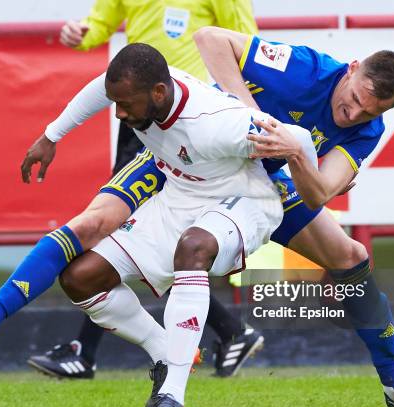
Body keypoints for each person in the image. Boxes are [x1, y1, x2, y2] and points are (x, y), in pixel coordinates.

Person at [0, 43, 317, 407]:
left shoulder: (216, 122)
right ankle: (165, 354)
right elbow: (98, 91)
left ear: (158, 93)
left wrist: (318, 185)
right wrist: (52, 135)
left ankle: (171, 397)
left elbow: (297, 139)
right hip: (180, 194)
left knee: (192, 248)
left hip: (243, 198)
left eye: (126, 105)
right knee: (81, 277)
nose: (119, 113)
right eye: (115, 102)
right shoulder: (142, 96)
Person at [191, 26, 394, 407]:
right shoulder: (303, 67)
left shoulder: (368, 129)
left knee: (351, 258)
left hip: (263, 181)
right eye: (354, 98)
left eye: (370, 111)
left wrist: (295, 152)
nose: (353, 113)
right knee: (124, 248)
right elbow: (208, 38)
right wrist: (247, 112)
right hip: (196, 165)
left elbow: (318, 192)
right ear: (351, 69)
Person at [28, 0, 263, 379]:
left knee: (127, 228)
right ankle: (230, 331)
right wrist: (83, 32)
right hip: (138, 112)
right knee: (131, 229)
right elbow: (101, 24)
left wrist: (237, 112)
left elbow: (246, 44)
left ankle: (84, 350)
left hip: (188, 117)